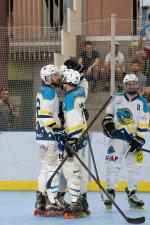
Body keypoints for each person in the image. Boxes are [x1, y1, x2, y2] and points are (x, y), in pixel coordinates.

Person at [101, 74, 149, 210]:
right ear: (125, 85)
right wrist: (108, 123)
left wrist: (139, 139)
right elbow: (109, 114)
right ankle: (110, 192)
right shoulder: (117, 98)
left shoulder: (142, 102)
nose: (132, 86)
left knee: (135, 167)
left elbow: (144, 123)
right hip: (117, 137)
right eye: (129, 84)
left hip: (133, 140)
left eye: (134, 83)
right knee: (112, 163)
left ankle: (132, 193)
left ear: (137, 85)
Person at [54, 68, 89, 218]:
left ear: (68, 80)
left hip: (75, 139)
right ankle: (82, 200)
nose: (61, 81)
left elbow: (74, 122)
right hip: (83, 138)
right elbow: (83, 84)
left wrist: (71, 141)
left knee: (71, 172)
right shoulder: (80, 92)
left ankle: (75, 202)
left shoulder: (69, 98)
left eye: (63, 78)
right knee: (80, 171)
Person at [35, 64, 65, 217]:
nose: (58, 77)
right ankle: (51, 202)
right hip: (50, 136)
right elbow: (45, 114)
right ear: (47, 78)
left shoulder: (42, 91)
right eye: (54, 75)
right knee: (53, 169)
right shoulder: (49, 92)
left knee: (44, 169)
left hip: (41, 136)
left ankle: (40, 200)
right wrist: (58, 130)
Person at [138, 13, 150, 82]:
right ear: (148, 19)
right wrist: (141, 50)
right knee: (145, 66)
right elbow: (141, 40)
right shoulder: (144, 28)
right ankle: (143, 80)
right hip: (146, 49)